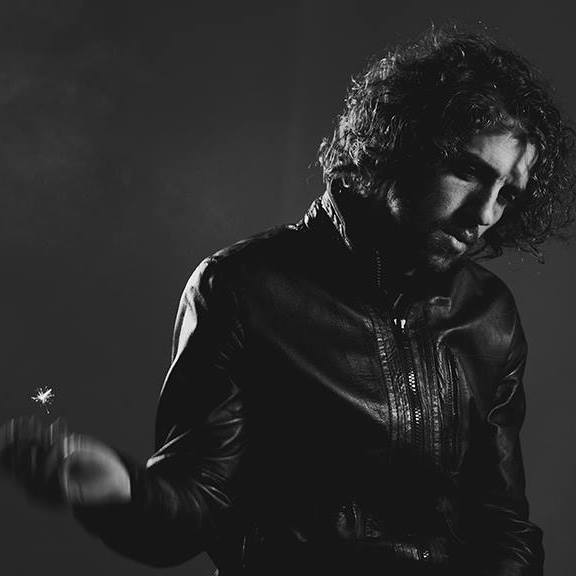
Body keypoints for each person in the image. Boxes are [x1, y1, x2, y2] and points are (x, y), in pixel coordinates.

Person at [1, 29, 574, 576]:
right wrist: (122, 492)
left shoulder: (489, 313)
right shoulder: (243, 288)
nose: (485, 214)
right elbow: (195, 504)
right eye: (469, 171)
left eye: (507, 194)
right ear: (401, 144)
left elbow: (504, 527)